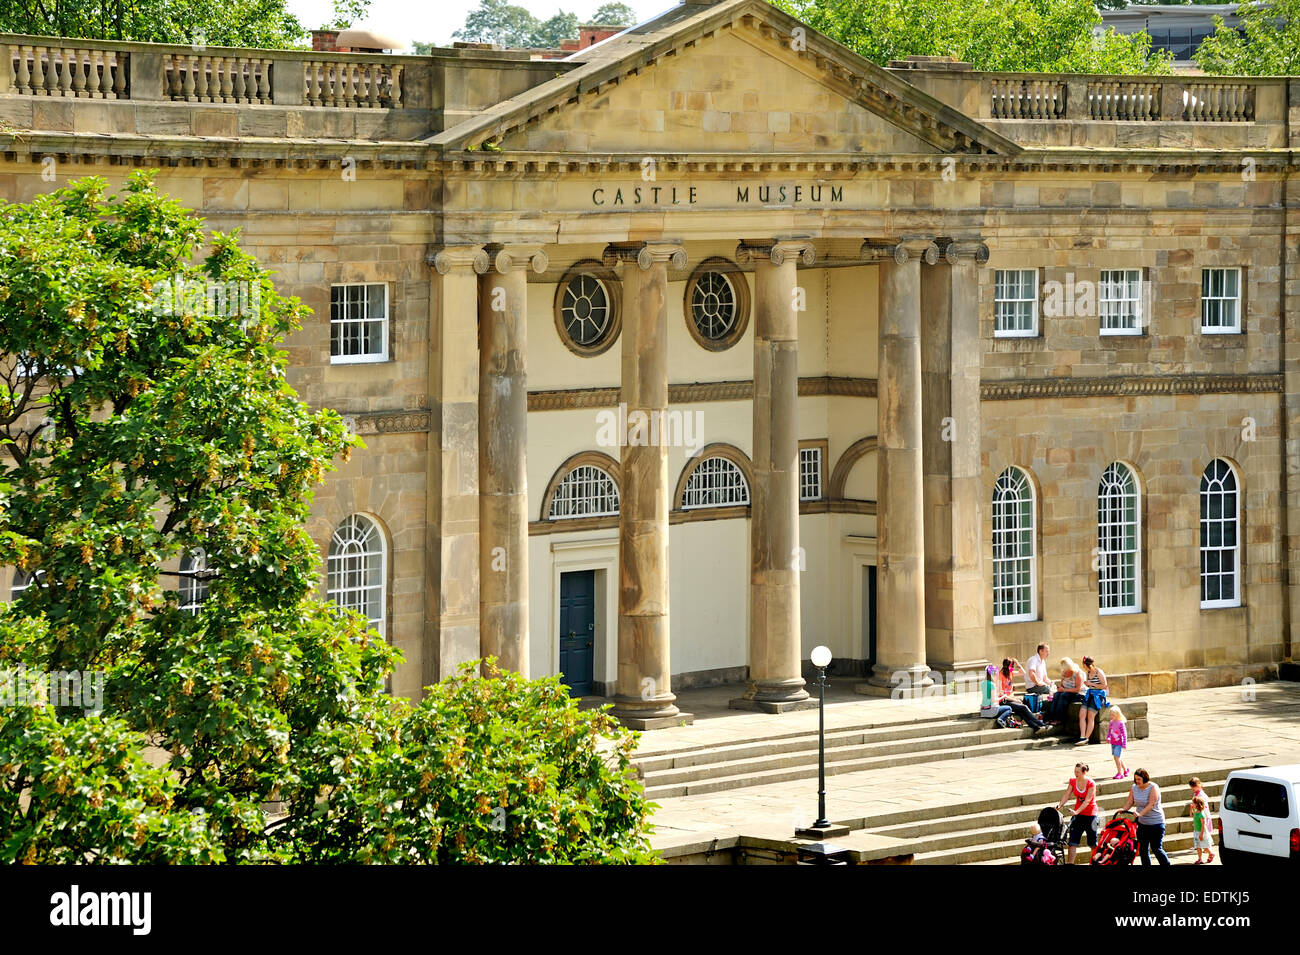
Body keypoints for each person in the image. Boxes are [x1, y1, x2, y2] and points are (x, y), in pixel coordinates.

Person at [1120, 768, 1170, 865]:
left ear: (1145, 778)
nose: (1137, 781)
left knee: (1156, 848)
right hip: (1142, 824)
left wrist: (1140, 814)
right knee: (1143, 849)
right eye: (1135, 779)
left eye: (1139, 779)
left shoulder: (1153, 787)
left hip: (1156, 823)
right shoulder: (1134, 787)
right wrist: (1124, 809)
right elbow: (1130, 801)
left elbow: (1151, 804)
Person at [1056, 762, 1099, 864]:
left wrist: (1076, 812)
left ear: (1085, 772)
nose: (1076, 774)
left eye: (1078, 772)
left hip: (1090, 815)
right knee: (1072, 842)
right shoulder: (1072, 781)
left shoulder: (1091, 783)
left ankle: (1095, 862)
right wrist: (1059, 805)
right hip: (1078, 816)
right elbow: (1067, 794)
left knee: (1092, 843)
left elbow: (1088, 800)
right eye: (1075, 771)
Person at [997, 658, 1046, 730]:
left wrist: (1017, 664)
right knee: (1024, 707)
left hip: (1011, 700)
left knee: (1022, 711)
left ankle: (1036, 728)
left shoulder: (1010, 673)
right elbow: (1001, 695)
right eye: (1012, 666)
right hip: (1004, 701)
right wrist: (1014, 700)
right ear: (1008, 666)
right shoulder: (1000, 675)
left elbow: (1023, 672)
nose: (1013, 668)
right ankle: (1041, 724)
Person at [1078, 656, 1109, 744]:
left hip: (1098, 696)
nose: (1083, 667)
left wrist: (1091, 683)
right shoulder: (1088, 673)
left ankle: (1086, 738)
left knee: (1090, 716)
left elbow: (1104, 686)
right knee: (1082, 714)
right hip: (1090, 694)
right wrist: (1087, 685)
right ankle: (1082, 736)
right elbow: (1090, 685)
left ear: (1086, 665)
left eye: (1083, 665)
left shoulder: (1099, 672)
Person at [1044, 657, 1085, 724]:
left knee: (1063, 695)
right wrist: (1059, 689)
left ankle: (1059, 719)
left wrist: (1064, 690)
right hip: (1066, 691)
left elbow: (1078, 689)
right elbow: (1062, 685)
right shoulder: (1064, 672)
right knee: (1056, 695)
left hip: (1077, 693)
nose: (1064, 669)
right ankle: (1050, 717)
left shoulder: (1077, 673)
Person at [1191, 792, 1215, 864]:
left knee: (1204, 846)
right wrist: (1191, 809)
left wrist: (1201, 834)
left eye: (1193, 803)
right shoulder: (1195, 812)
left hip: (1202, 832)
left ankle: (1211, 854)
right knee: (1198, 846)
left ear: (1197, 804)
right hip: (1196, 831)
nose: (1192, 804)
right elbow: (1191, 815)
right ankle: (1200, 859)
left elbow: (1203, 825)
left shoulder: (1201, 814)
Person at [1106, 705, 1129, 779]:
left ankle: (1120, 773)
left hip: (1119, 743)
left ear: (1117, 715)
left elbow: (1124, 734)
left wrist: (1124, 743)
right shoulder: (1111, 722)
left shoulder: (1120, 723)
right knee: (1117, 758)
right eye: (1110, 714)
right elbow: (1109, 731)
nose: (1111, 716)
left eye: (1113, 715)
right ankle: (1125, 770)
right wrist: (1108, 737)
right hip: (1113, 743)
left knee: (1116, 757)